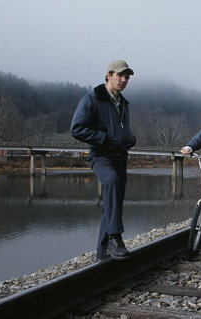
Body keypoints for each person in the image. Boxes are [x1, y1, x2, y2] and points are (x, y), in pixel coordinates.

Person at [71, 60, 136, 261]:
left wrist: (130, 139)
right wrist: (105, 139)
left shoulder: (123, 103)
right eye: (120, 75)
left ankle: (102, 254)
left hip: (120, 157)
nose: (124, 80)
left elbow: (123, 131)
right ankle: (115, 237)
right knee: (112, 182)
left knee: (112, 204)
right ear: (109, 75)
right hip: (101, 156)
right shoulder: (92, 98)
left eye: (127, 77)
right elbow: (77, 128)